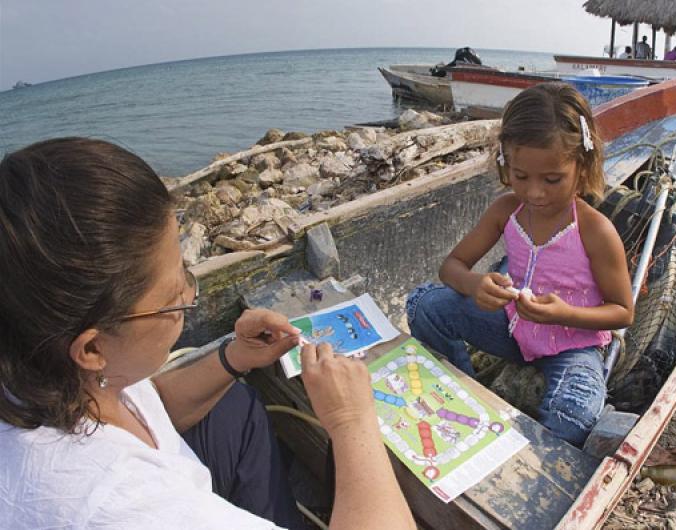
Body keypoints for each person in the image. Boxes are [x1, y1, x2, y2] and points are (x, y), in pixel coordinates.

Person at [0, 138, 415, 530]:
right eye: (173, 298)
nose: (190, 297)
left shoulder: (38, 359)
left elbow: (149, 408)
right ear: (92, 348)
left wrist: (234, 358)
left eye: (186, 270)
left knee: (234, 404)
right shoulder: (120, 505)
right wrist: (351, 421)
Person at [406, 84, 634, 447]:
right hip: (512, 328)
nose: (535, 193)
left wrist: (565, 314)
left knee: (574, 413)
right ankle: (466, 395)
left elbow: (623, 312)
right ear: (505, 163)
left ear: (583, 164)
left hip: (572, 345)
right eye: (521, 175)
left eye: (552, 179)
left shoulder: (595, 230)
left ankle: (528, 452)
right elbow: (452, 267)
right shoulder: (505, 211)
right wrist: (475, 286)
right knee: (424, 305)